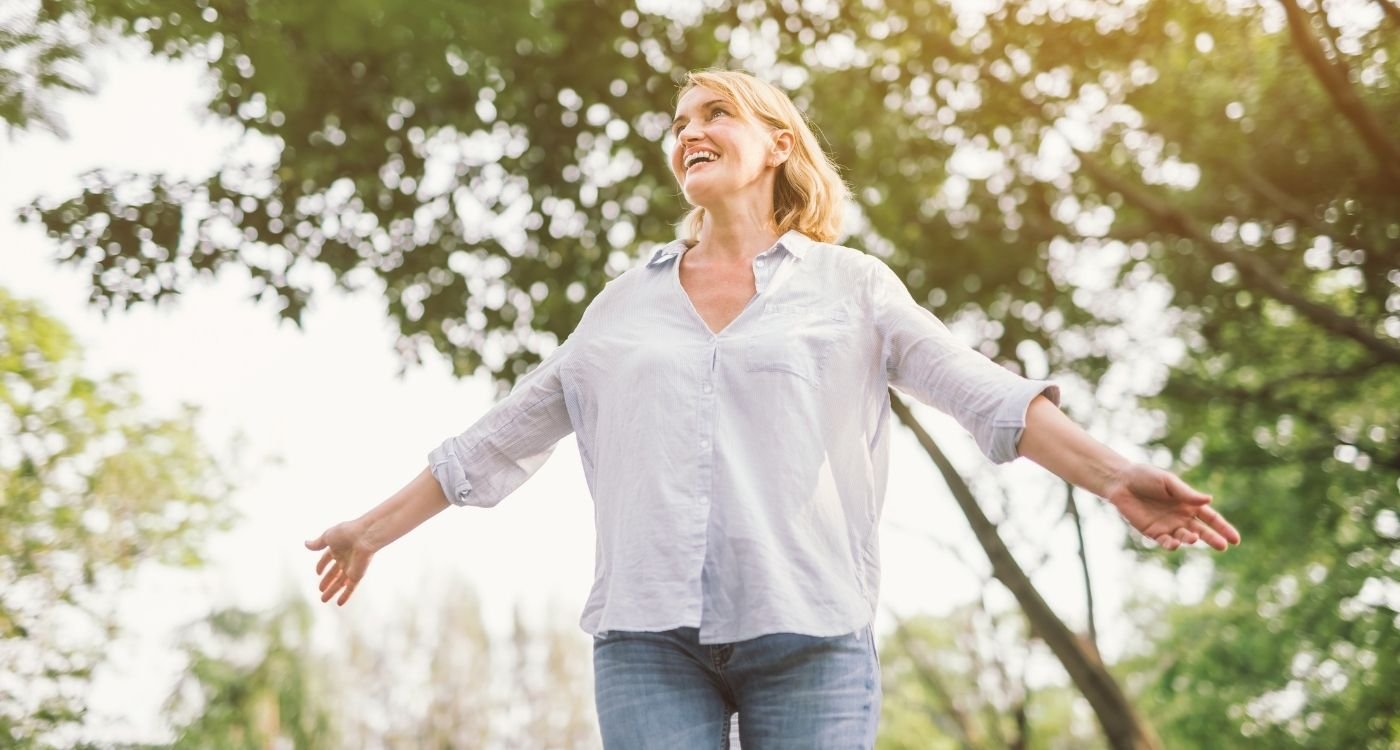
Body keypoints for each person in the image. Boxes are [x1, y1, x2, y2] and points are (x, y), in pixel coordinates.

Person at [306, 69, 1241, 749]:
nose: (690, 131)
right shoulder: (623, 307)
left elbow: (979, 390)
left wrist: (1115, 475)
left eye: (716, 113)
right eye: (679, 123)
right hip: (648, 642)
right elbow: (498, 438)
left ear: (779, 144)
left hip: (811, 635)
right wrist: (369, 531)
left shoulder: (851, 286)